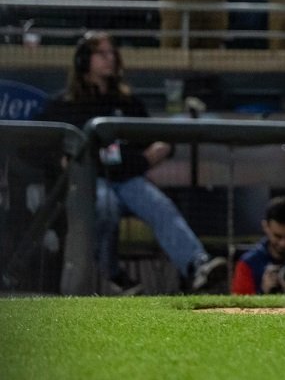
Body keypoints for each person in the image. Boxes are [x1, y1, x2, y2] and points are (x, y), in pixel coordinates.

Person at [41, 32, 227, 294]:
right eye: (102, 54)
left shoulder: (128, 102)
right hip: (90, 181)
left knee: (159, 205)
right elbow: (48, 149)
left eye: (112, 53)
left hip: (128, 179)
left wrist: (152, 153)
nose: (110, 59)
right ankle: (113, 275)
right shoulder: (64, 104)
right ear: (84, 61)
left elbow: (150, 145)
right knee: (105, 206)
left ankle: (198, 265)